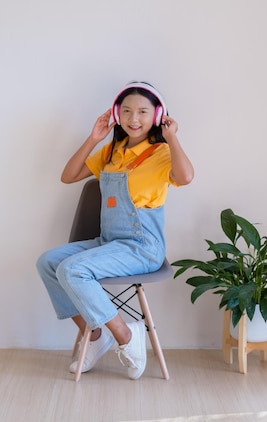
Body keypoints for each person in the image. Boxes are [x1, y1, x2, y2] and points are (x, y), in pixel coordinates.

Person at [36, 81, 194, 380]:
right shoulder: (111, 151)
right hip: (109, 244)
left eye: (143, 112)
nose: (134, 118)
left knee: (72, 270)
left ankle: (124, 335)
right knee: (48, 262)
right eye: (127, 111)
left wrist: (172, 138)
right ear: (117, 114)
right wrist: (94, 138)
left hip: (142, 247)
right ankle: (95, 335)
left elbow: (185, 177)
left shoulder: (161, 153)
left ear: (158, 115)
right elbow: (68, 176)